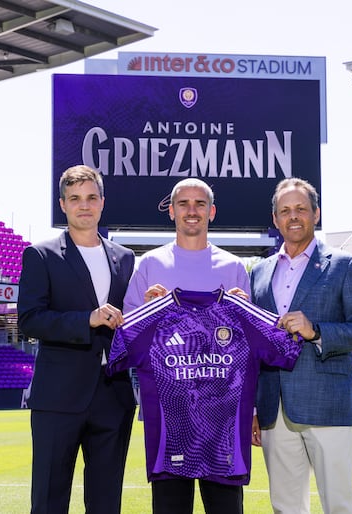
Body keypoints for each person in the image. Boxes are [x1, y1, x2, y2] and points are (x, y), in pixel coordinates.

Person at [121, 178, 253, 514]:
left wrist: (242, 312)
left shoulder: (233, 267)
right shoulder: (149, 265)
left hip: (222, 413)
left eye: (199, 204)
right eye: (183, 203)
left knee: (225, 508)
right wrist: (147, 311)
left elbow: (247, 345)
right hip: (170, 412)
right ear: (171, 211)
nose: (191, 211)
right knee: (171, 507)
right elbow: (128, 335)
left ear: (212, 212)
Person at [250, 177, 352, 514]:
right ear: (275, 218)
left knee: (338, 506)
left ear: (316, 213)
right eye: (285, 211)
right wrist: (252, 408)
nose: (293, 216)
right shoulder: (259, 272)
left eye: (301, 209)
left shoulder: (345, 265)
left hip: (328, 405)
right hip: (274, 408)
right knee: (285, 506)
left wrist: (316, 331)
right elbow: (254, 346)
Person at [17, 165, 136, 514]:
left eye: (91, 197)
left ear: (102, 202)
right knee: (49, 501)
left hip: (113, 395)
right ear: (63, 205)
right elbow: (30, 319)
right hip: (58, 396)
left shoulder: (125, 258)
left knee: (106, 502)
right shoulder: (41, 255)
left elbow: (130, 322)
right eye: (75, 198)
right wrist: (87, 319)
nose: (84, 205)